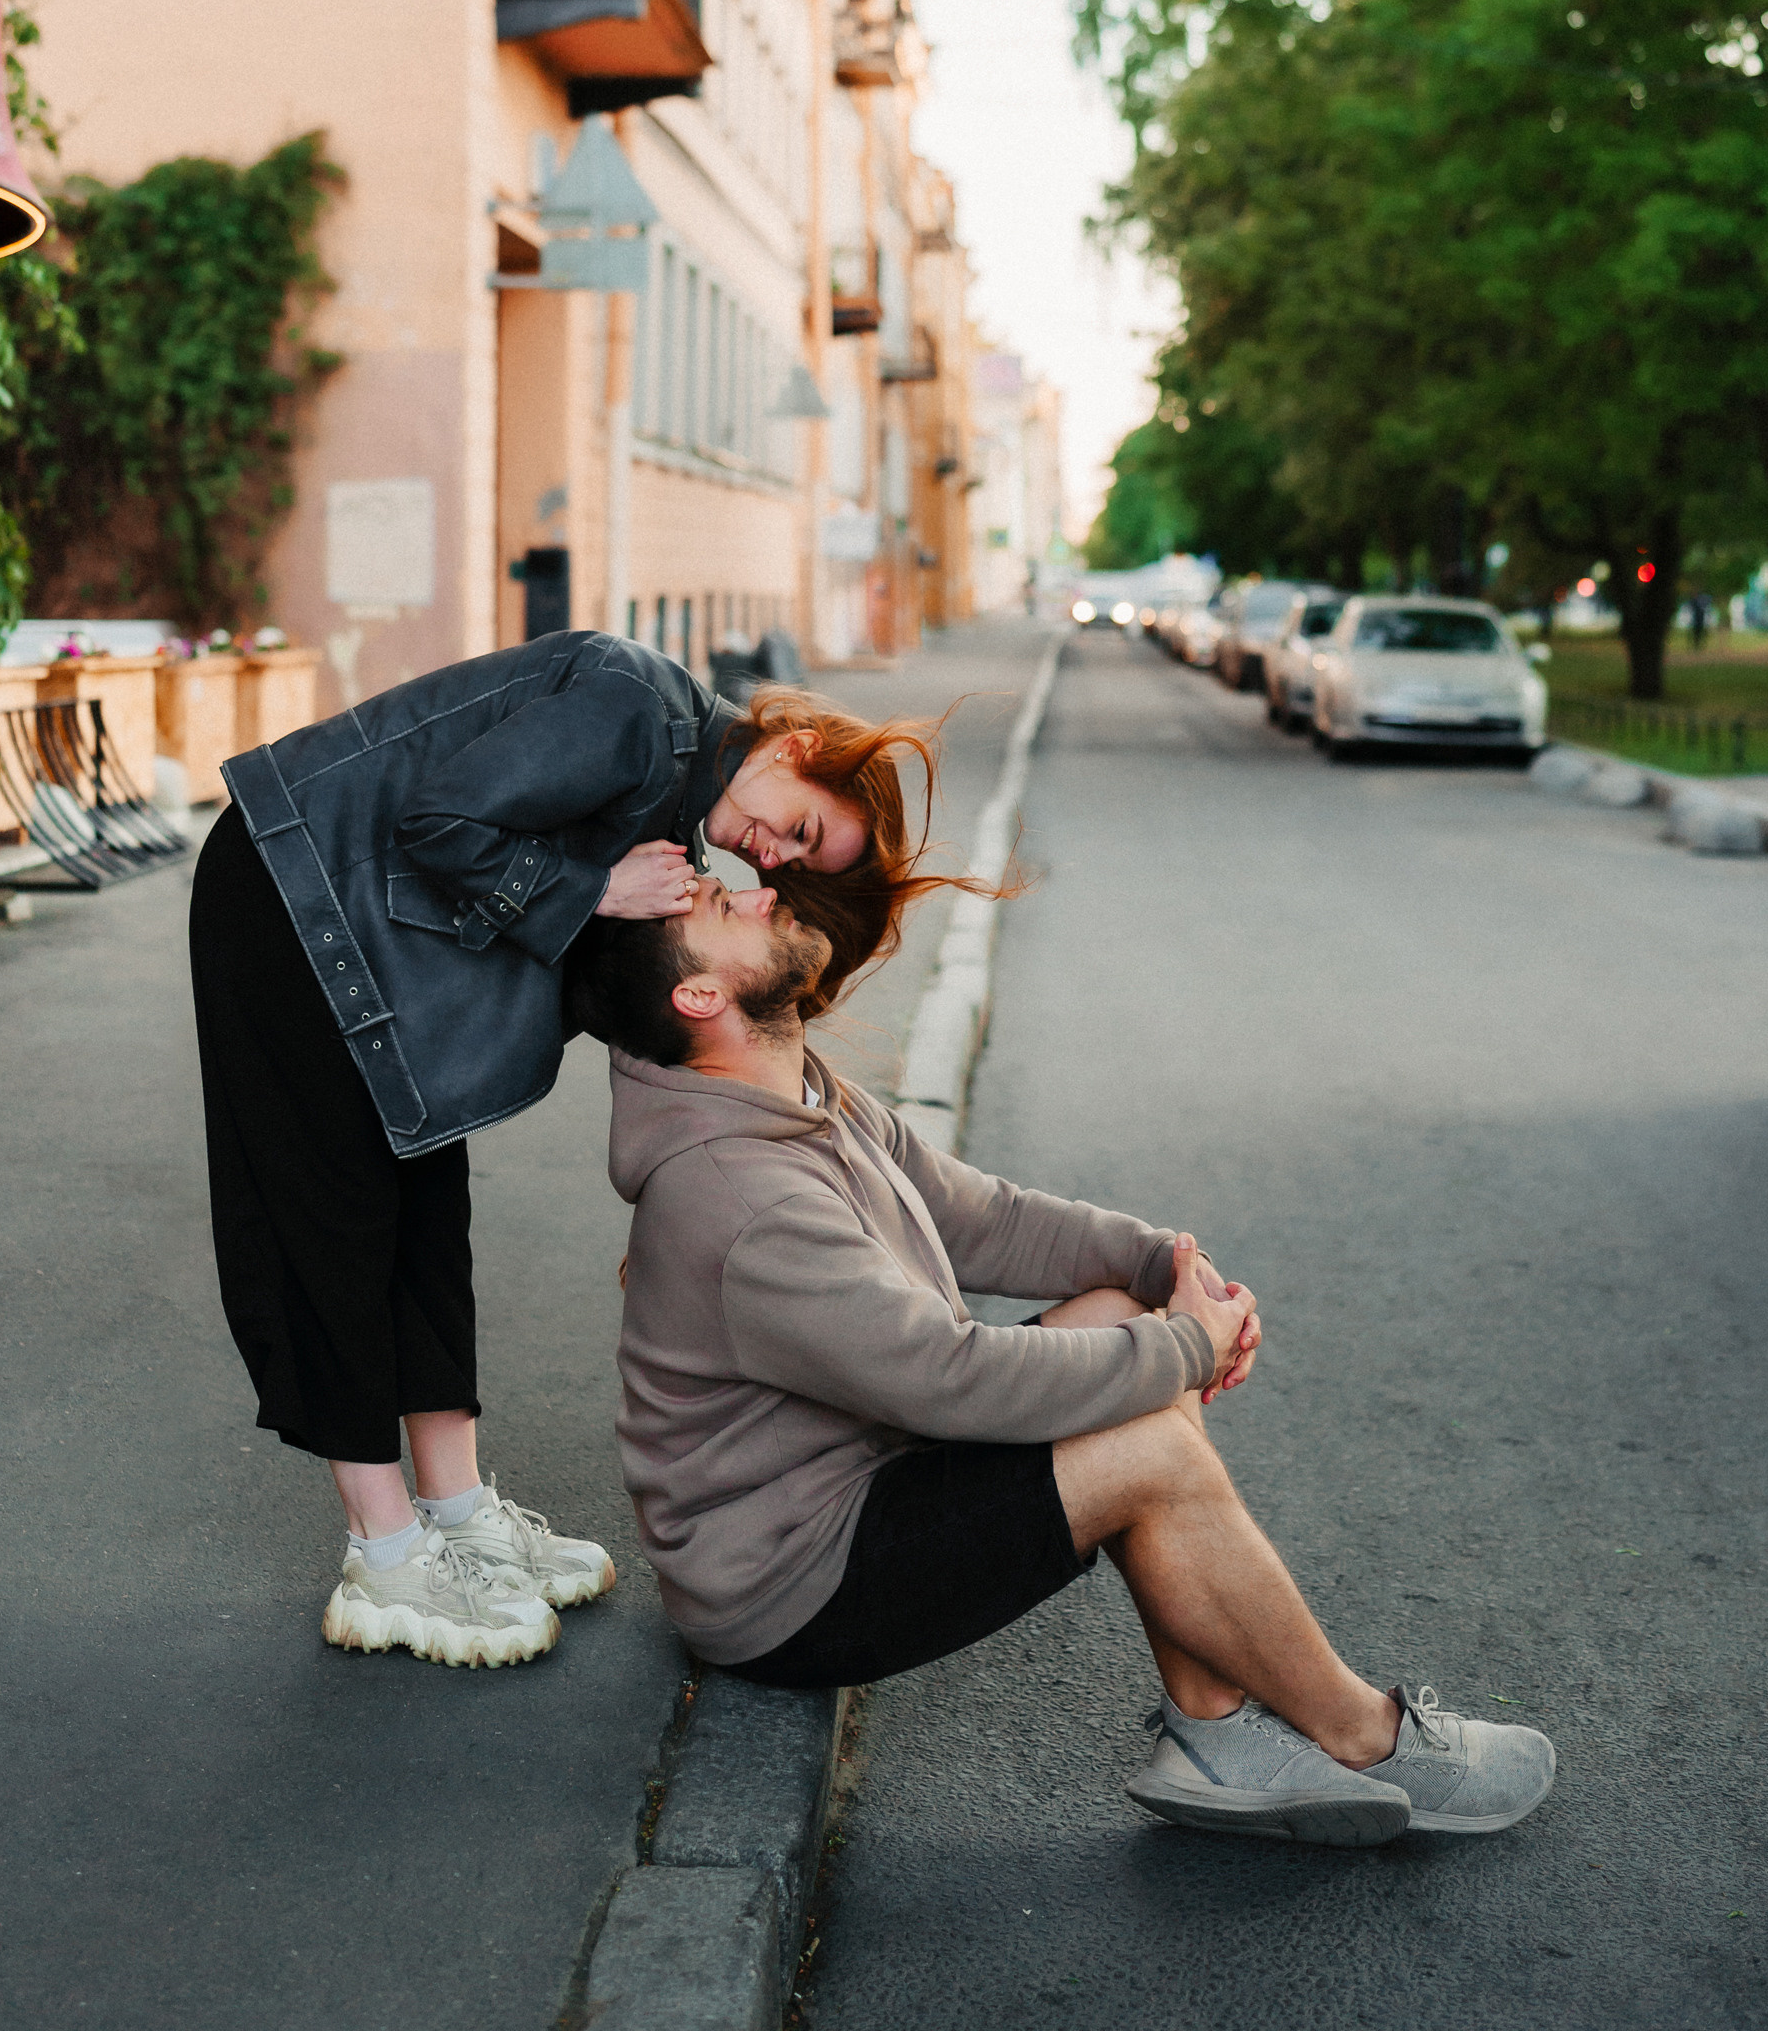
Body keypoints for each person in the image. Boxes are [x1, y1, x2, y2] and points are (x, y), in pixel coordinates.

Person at [563, 880, 1558, 1845]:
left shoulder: (799, 1096)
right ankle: (1365, 1737)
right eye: (720, 907)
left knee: (1114, 1313)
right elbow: (949, 1377)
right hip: (787, 1581)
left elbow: (981, 1220)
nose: (756, 893)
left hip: (867, 1477)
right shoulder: (739, 1196)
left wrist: (1162, 1266)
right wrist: (1185, 1347)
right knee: (1150, 1452)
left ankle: (1214, 1731)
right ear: (700, 997)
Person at [189, 628, 954, 1672]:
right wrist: (591, 889)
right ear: (796, 747)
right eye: (801, 829)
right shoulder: (634, 712)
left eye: (793, 860)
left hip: (366, 937)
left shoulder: (675, 806)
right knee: (335, 1218)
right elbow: (437, 820)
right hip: (289, 894)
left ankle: (456, 1512)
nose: (770, 855)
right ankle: (385, 1554)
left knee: (426, 1210)